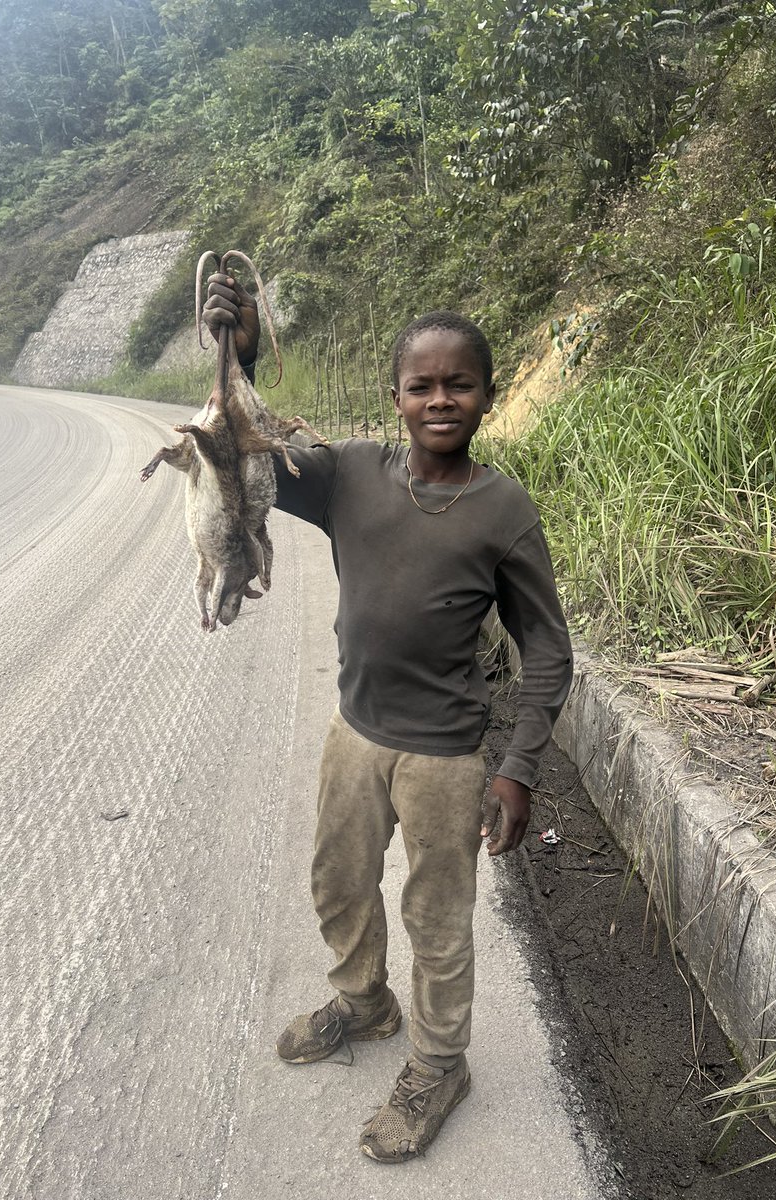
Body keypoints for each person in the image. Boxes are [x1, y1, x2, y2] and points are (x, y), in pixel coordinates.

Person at [203, 276, 574, 1163]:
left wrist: (518, 768)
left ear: (487, 394)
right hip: (354, 733)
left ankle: (440, 1065)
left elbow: (546, 649)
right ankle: (365, 1004)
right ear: (396, 396)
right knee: (337, 885)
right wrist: (238, 354)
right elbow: (237, 453)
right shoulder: (347, 476)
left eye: (460, 384)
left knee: (437, 918)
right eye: (422, 385)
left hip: (445, 758)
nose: (440, 399)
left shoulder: (504, 510)